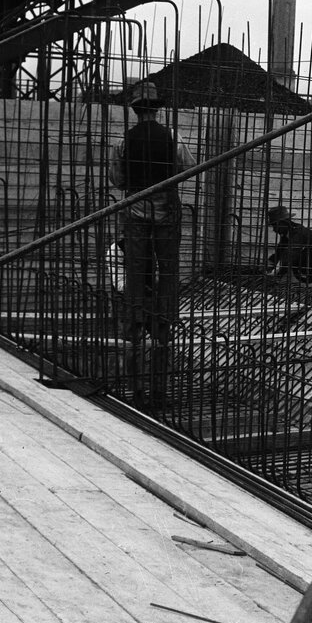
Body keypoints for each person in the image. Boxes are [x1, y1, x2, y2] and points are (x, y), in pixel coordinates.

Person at [109, 80, 195, 408]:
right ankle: (160, 381)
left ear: (136, 110)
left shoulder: (122, 143)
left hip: (135, 214)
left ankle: (134, 387)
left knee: (135, 277)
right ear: (157, 109)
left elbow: (116, 180)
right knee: (167, 277)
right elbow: (187, 168)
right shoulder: (173, 138)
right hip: (166, 214)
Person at [265, 206, 312, 290]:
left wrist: (277, 276)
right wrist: (267, 266)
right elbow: (279, 253)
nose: (274, 229)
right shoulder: (288, 235)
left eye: (275, 225)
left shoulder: (298, 234)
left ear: (284, 223)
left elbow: (289, 258)